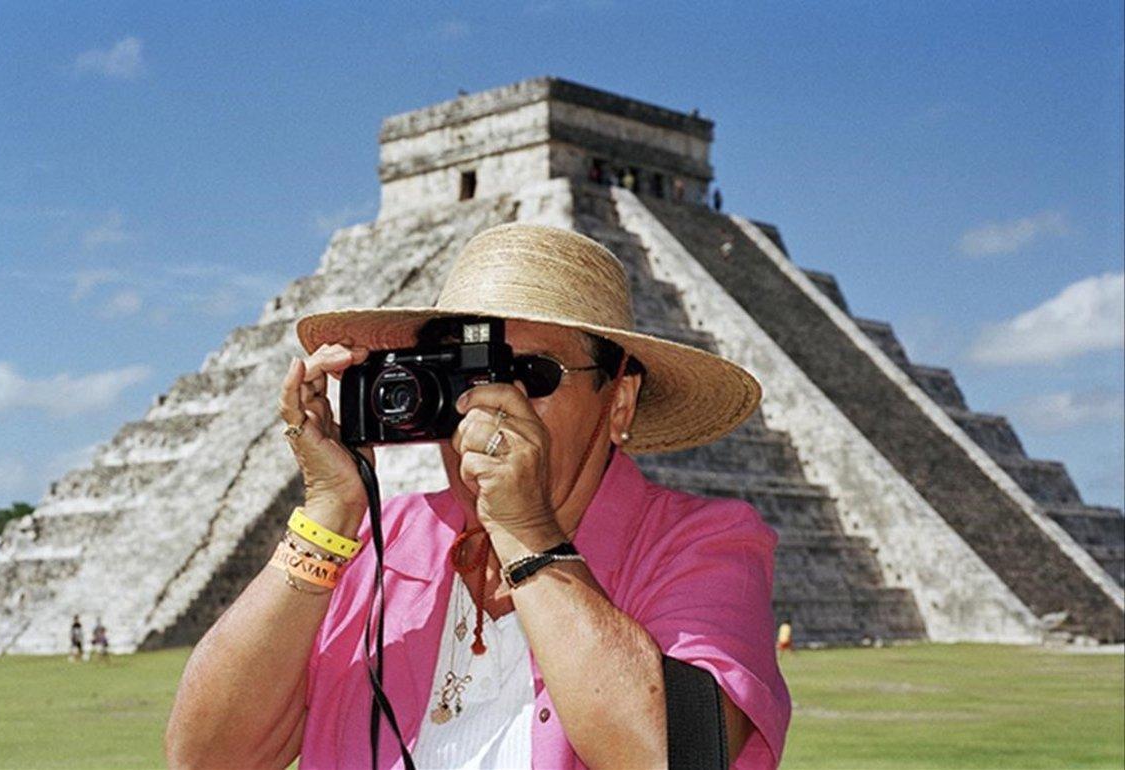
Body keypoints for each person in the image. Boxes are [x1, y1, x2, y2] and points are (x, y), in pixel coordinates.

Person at [166, 223, 792, 769]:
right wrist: (329, 511)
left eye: (529, 375)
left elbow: (673, 756)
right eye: (464, 375)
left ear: (618, 402)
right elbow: (206, 757)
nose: (491, 406)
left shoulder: (703, 542)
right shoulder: (372, 542)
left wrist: (525, 531)